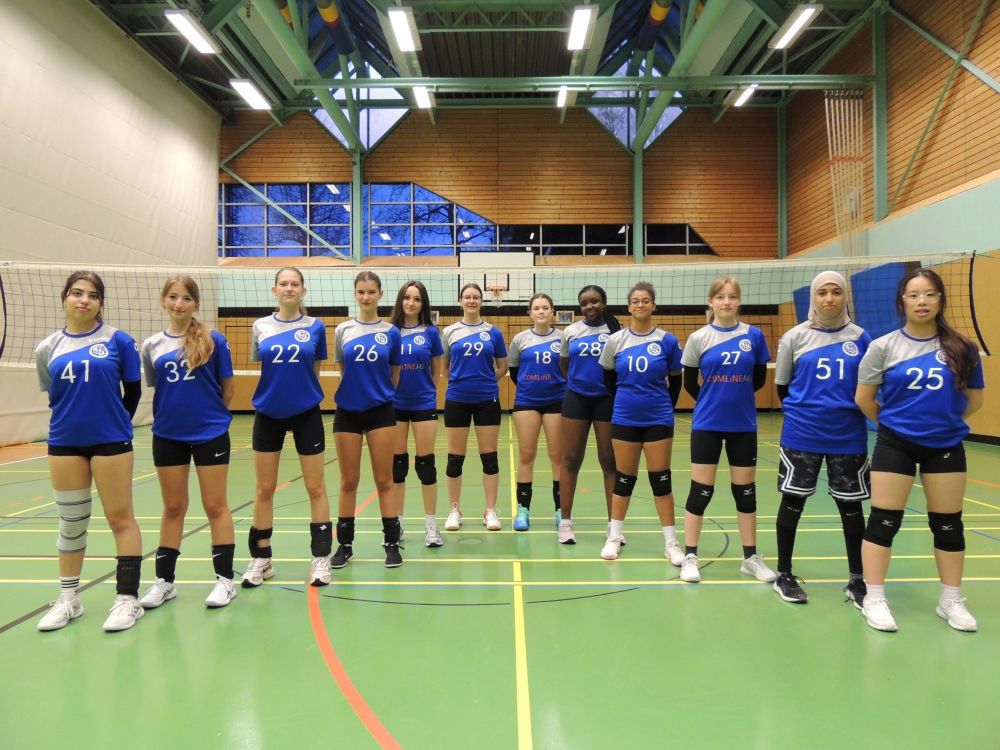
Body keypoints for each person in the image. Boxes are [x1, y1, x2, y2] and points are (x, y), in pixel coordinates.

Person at [855, 268, 984, 632]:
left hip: (946, 444)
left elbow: (974, 401)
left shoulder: (962, 348)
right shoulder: (883, 347)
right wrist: (896, 426)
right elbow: (864, 399)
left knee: (948, 524)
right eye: (913, 295)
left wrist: (940, 422)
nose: (922, 301)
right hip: (895, 443)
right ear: (902, 302)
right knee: (883, 520)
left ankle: (950, 600)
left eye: (929, 294)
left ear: (941, 299)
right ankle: (874, 597)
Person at [35, 271, 144, 632]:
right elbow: (53, 394)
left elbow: (133, 391)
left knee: (120, 518)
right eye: (77, 293)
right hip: (64, 442)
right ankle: (69, 599)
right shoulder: (47, 348)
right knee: (71, 522)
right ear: (64, 297)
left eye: (93, 295)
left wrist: (115, 423)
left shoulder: (118, 341)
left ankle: (127, 599)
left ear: (100, 303)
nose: (84, 300)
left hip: (111, 441)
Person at [139, 275, 238, 610]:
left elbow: (228, 388)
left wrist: (209, 417)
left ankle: (225, 580)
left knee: (215, 506)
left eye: (185, 298)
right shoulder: (152, 345)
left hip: (210, 433)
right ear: (163, 300)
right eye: (172, 297)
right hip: (168, 434)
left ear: (196, 303)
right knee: (172, 507)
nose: (178, 303)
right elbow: (159, 387)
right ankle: (164, 582)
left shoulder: (214, 340)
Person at [772, 271, 871, 605]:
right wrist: (807, 412)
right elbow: (783, 386)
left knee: (851, 506)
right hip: (803, 434)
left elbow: (869, 385)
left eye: (836, 292)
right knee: (793, 501)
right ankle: (784, 574)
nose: (829, 298)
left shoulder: (861, 338)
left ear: (845, 297)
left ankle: (857, 580)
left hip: (848, 435)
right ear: (813, 297)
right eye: (822, 292)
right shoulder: (795, 337)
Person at [680, 276, 776, 584]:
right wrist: (712, 400)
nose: (726, 302)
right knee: (701, 491)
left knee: (745, 494)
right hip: (707, 424)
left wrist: (735, 398)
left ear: (738, 301)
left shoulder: (753, 335)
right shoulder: (698, 338)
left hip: (743, 424)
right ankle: (690, 555)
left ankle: (750, 558)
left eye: (732, 296)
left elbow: (759, 379)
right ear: (711, 302)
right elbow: (689, 383)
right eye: (720, 297)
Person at [242, 267, 333, 588]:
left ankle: (321, 558)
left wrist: (304, 394)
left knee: (316, 487)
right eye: (284, 283)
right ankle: (261, 558)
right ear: (275, 290)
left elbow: (315, 369)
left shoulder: (316, 327)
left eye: (295, 284)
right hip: (268, 412)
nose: (289, 288)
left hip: (306, 412)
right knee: (264, 488)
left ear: (303, 290)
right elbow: (262, 364)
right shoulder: (260, 326)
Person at [597, 282, 685, 565]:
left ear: (653, 305)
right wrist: (626, 401)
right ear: (629, 306)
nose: (640, 305)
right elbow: (608, 379)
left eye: (646, 301)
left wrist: (664, 406)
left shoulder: (667, 341)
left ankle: (671, 543)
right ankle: (614, 537)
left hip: (658, 418)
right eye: (635, 301)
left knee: (661, 480)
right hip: (625, 417)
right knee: (624, 478)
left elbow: (676, 380)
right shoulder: (616, 341)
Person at [331, 272, 403, 568]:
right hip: (347, 411)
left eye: (371, 292)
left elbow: (395, 373)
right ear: (355, 294)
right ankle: (344, 545)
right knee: (348, 480)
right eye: (361, 291)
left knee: (384, 480)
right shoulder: (343, 330)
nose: (366, 297)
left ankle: (392, 544)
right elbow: (342, 369)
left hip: (380, 410)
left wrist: (380, 394)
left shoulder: (391, 332)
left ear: (380, 295)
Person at [557, 285, 622, 544]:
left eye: (594, 301)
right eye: (584, 303)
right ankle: (565, 523)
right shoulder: (571, 332)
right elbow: (564, 365)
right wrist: (579, 383)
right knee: (570, 460)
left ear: (604, 302)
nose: (589, 307)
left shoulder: (616, 332)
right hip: (576, 400)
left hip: (606, 400)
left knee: (610, 463)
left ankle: (614, 526)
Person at [441, 283, 508, 531]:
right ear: (461, 301)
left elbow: (503, 367)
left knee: (489, 457)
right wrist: (462, 382)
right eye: (467, 297)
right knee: (454, 458)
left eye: (476, 297)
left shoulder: (493, 332)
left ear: (482, 301)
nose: (471, 300)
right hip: (457, 399)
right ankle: (454, 510)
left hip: (487, 399)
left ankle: (490, 510)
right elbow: (444, 368)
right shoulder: (449, 332)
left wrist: (486, 381)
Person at [389, 281, 445, 549]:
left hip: (423, 403)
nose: (411, 303)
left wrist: (428, 394)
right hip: (394, 404)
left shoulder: (431, 333)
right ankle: (397, 524)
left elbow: (436, 371)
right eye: (407, 298)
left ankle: (431, 525)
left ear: (423, 304)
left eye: (417, 299)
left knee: (426, 465)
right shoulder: (389, 332)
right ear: (400, 300)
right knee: (398, 466)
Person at [508, 293, 566, 531]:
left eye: (545, 307)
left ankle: (561, 510)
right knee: (526, 456)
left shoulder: (564, 337)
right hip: (527, 402)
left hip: (557, 401)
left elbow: (568, 368)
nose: (541, 311)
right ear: (530, 313)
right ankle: (523, 510)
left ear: (552, 311)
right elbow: (514, 371)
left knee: (557, 456)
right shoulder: (520, 339)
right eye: (536, 308)